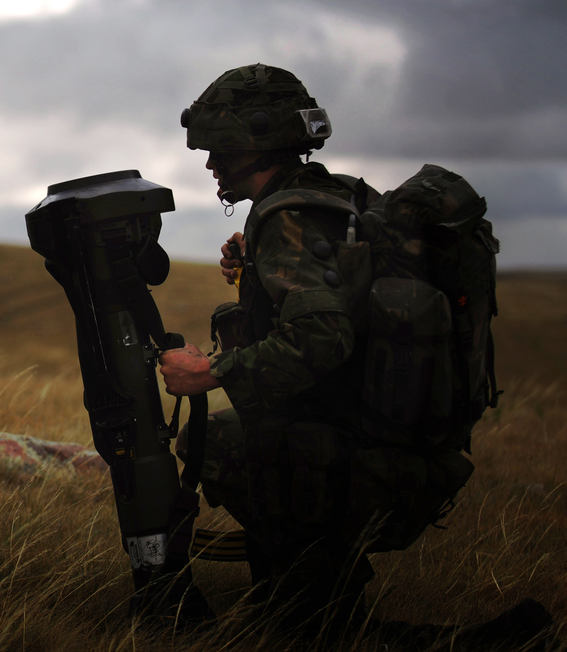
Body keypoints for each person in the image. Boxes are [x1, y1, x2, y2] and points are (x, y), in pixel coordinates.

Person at [158, 64, 553, 646]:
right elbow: (345, 305)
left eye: (220, 147)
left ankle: (491, 640)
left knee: (309, 636)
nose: (211, 162)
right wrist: (256, 275)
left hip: (357, 455)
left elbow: (323, 338)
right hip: (387, 440)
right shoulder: (333, 195)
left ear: (256, 144)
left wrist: (209, 371)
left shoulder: (290, 215)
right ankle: (302, 579)